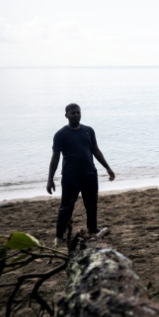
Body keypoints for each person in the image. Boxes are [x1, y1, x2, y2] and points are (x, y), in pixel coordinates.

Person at [47, 103, 115, 246]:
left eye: (78, 112)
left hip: (90, 174)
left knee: (91, 204)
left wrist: (108, 168)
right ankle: (59, 236)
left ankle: (92, 228)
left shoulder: (88, 131)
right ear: (66, 115)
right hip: (70, 176)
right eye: (73, 113)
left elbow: (95, 150)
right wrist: (50, 179)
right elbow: (55, 157)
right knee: (66, 207)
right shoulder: (60, 134)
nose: (76, 115)